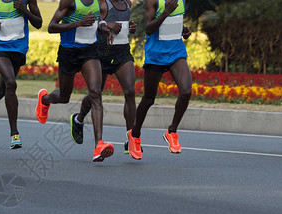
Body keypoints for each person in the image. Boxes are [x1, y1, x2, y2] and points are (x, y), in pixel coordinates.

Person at [35, 0, 114, 162]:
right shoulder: (70, 2)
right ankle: (45, 99)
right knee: (64, 97)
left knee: (95, 92)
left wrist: (103, 28)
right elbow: (51, 27)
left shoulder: (101, 3)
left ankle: (99, 145)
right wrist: (79, 23)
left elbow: (97, 21)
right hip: (69, 52)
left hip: (90, 51)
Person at [70, 0, 137, 157]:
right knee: (96, 92)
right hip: (102, 53)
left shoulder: (128, 3)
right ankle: (79, 119)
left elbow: (124, 24)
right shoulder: (102, 3)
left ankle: (131, 139)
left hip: (122, 54)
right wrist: (106, 23)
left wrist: (131, 27)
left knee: (130, 91)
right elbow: (92, 21)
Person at [127, 0, 192, 160]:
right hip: (156, 54)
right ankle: (135, 135)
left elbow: (173, 23)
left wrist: (183, 30)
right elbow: (148, 29)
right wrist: (165, 12)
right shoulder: (154, 1)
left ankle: (172, 131)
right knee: (149, 99)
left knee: (186, 91)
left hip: (176, 51)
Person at [0, 0, 42, 149]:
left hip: (19, 48)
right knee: (11, 83)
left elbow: (38, 23)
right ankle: (14, 134)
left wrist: (23, 9)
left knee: (3, 89)